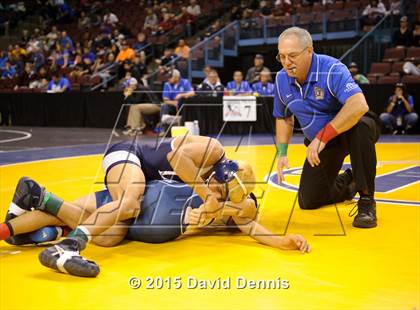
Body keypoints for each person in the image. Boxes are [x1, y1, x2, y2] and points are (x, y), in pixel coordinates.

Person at [5, 135, 266, 276]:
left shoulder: (220, 188)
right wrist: (207, 195)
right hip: (131, 155)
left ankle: (34, 201)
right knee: (126, 209)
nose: (217, 194)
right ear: (224, 172)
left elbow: (245, 212)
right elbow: (176, 157)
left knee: (83, 222)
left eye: (223, 194)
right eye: (220, 188)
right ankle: (67, 247)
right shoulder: (213, 149)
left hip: (136, 175)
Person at [273, 27, 380, 229]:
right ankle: (350, 181)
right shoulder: (281, 79)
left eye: (293, 56)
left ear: (309, 51)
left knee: (361, 129)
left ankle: (367, 202)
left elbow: (359, 105)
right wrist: (282, 152)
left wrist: (321, 137)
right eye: (282, 56)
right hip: (325, 143)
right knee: (309, 200)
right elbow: (284, 118)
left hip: (351, 130)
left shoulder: (331, 69)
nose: (287, 62)